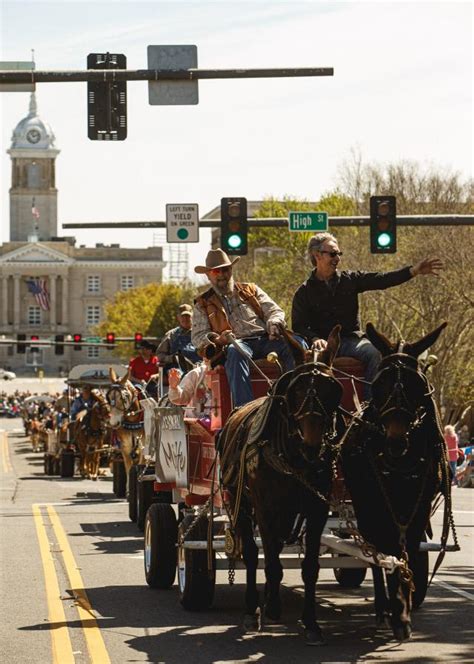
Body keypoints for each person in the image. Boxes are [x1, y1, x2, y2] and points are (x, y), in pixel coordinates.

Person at [291, 232, 443, 399]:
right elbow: (298, 326)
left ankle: (369, 407)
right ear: (317, 255)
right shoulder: (303, 292)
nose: (337, 259)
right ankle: (305, 406)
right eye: (333, 254)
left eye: (339, 254)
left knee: (373, 352)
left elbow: (382, 280)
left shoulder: (350, 279)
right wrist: (314, 339)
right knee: (300, 359)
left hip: (350, 341)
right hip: (321, 347)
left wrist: (413, 271)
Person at [192, 248, 296, 407]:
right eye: (216, 271)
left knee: (296, 345)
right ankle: (245, 409)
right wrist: (218, 339)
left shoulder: (251, 289)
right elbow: (198, 337)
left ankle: (294, 399)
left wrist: (274, 323)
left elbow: (274, 311)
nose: (221, 274)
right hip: (238, 344)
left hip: (266, 338)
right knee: (235, 352)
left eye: (225, 269)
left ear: (231, 270)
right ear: (208, 275)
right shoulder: (202, 303)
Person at [156, 304, 201, 375]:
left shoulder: (199, 333)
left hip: (198, 369)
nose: (185, 319)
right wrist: (172, 358)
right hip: (176, 370)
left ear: (193, 316)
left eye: (187, 316)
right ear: (178, 317)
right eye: (182, 316)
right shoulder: (171, 335)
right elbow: (160, 355)